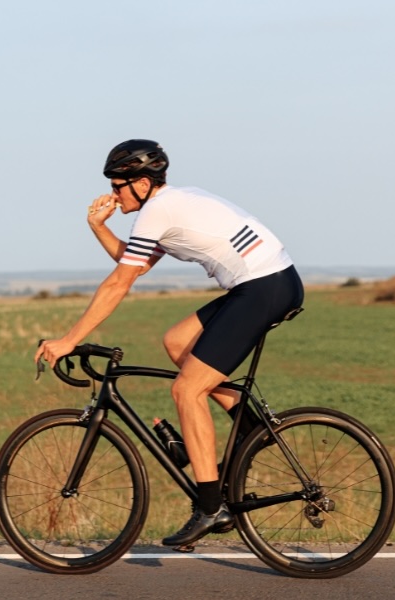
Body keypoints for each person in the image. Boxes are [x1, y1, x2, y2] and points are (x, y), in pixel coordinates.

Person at [34, 139, 304, 548]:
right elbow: (136, 264)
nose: (114, 193)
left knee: (186, 389)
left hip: (263, 287)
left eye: (119, 185)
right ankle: (249, 427)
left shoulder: (158, 211)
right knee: (178, 342)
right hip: (265, 283)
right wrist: (98, 227)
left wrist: (70, 340)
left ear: (142, 183)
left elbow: (119, 283)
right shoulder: (168, 206)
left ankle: (212, 507)